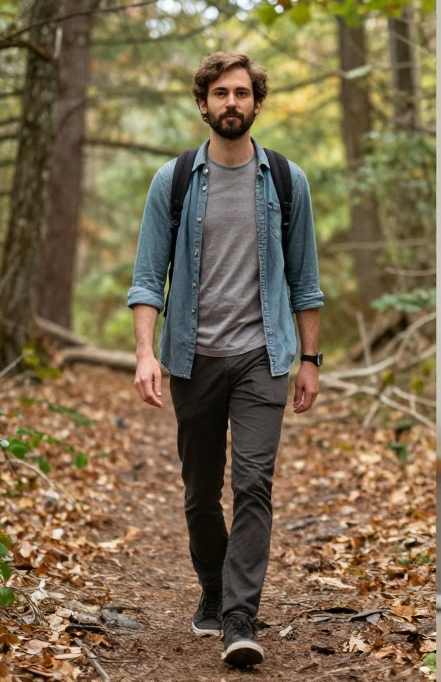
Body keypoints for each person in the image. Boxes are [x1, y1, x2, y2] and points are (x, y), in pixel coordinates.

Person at [127, 52, 324, 667]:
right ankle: (212, 590)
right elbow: (146, 277)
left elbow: (305, 281)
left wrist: (310, 358)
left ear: (256, 102)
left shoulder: (288, 181)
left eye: (242, 92)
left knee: (254, 484)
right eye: (221, 93)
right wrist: (144, 353)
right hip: (192, 357)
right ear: (204, 104)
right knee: (198, 493)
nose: (232, 102)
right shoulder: (175, 180)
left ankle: (241, 615)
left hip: (263, 356)